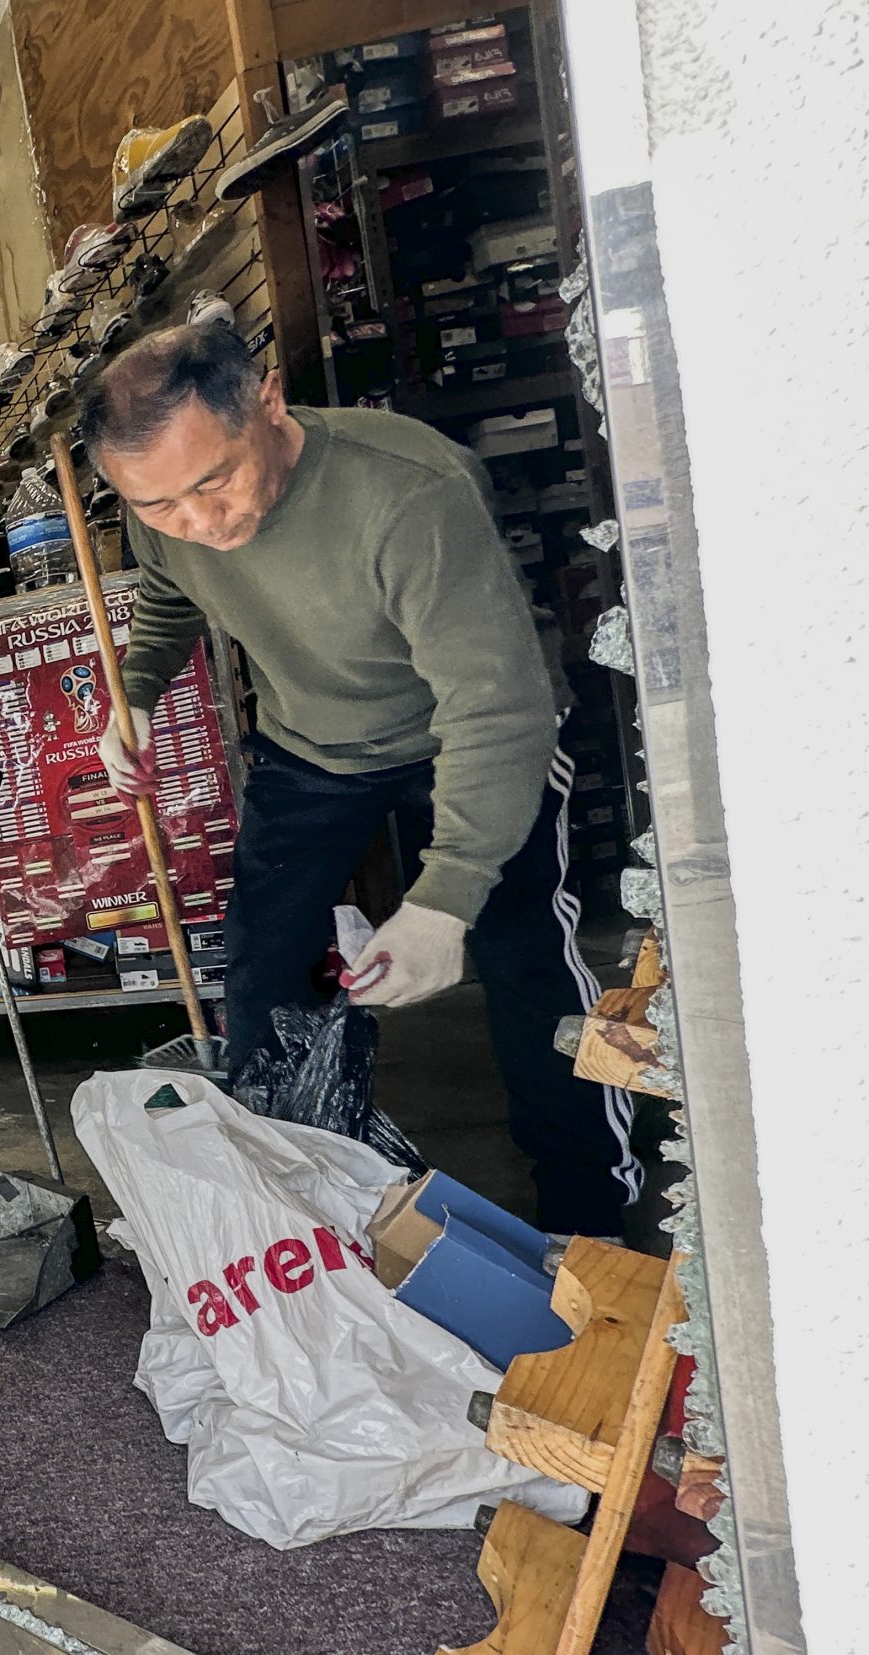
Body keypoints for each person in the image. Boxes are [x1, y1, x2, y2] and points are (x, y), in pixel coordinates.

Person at [79, 323, 639, 1237]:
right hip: (313, 745)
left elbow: (498, 713)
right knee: (262, 973)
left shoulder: (410, 489)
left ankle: (596, 1219)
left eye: (214, 480)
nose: (202, 524)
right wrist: (135, 692)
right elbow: (172, 590)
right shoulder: (170, 525)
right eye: (160, 505)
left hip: (464, 734)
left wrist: (443, 898)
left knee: (524, 958)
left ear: (267, 403)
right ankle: (302, 1205)